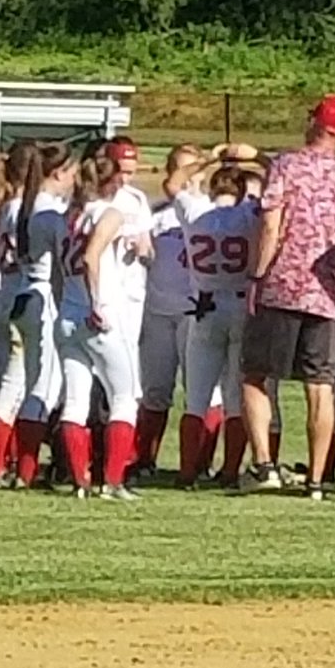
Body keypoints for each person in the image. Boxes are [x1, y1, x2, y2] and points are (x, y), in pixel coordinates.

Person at [240, 95, 335, 501]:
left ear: (312, 122)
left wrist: (257, 274)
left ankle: (264, 463)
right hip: (329, 295)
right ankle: (316, 478)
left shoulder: (287, 165)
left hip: (283, 286)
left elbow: (270, 224)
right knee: (320, 385)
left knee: (256, 374)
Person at [169, 160, 260, 489]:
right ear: (239, 191)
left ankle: (187, 471)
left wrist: (209, 157)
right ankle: (230, 471)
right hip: (239, 304)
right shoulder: (248, 214)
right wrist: (254, 157)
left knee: (196, 398)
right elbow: (278, 189)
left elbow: (174, 183)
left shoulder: (196, 212)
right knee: (235, 398)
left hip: (204, 305)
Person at [55, 153, 139, 501]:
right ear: (113, 182)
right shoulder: (110, 213)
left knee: (75, 402)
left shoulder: (68, 217)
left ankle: (80, 481)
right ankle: (113, 481)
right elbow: (91, 257)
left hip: (67, 314)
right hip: (96, 314)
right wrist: (97, 304)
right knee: (124, 397)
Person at [10, 141, 77, 487]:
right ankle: (24, 469)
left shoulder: (28, 203)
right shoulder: (51, 212)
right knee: (45, 389)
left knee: (33, 384)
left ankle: (21, 465)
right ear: (60, 173)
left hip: (24, 293)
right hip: (46, 300)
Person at [133, 144, 203, 475]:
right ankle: (144, 458)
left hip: (194, 312)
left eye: (194, 169)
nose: (188, 177)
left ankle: (199, 462)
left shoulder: (209, 212)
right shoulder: (157, 214)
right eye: (180, 169)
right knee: (155, 389)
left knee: (201, 391)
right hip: (158, 309)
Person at [0, 139, 35, 486]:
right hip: (19, 296)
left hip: (4, 295)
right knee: (13, 388)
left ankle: (1, 462)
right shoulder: (21, 209)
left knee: (6, 384)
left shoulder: (3, 204)